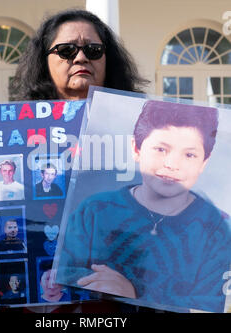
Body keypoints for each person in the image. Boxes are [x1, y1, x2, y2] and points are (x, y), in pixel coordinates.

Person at [0, 8, 149, 313]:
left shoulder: (144, 132)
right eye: (66, 50)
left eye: (93, 50)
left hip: (115, 300)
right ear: (45, 60)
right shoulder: (6, 136)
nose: (81, 58)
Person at [56, 100, 231, 313]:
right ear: (136, 149)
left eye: (189, 154)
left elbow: (210, 304)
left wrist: (135, 293)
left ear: (204, 161)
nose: (172, 164)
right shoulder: (94, 210)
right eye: (161, 149)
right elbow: (64, 272)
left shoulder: (218, 230)